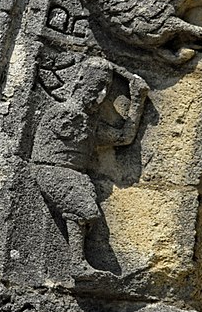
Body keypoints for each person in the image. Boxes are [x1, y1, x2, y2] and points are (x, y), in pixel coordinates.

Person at [32, 56, 148, 277]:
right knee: (85, 210)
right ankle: (77, 264)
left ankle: (78, 263)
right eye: (97, 86)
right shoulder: (65, 115)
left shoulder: (88, 122)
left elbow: (124, 137)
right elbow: (75, 132)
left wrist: (138, 100)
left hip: (74, 175)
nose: (102, 95)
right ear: (81, 81)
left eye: (106, 88)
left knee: (85, 211)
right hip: (53, 171)